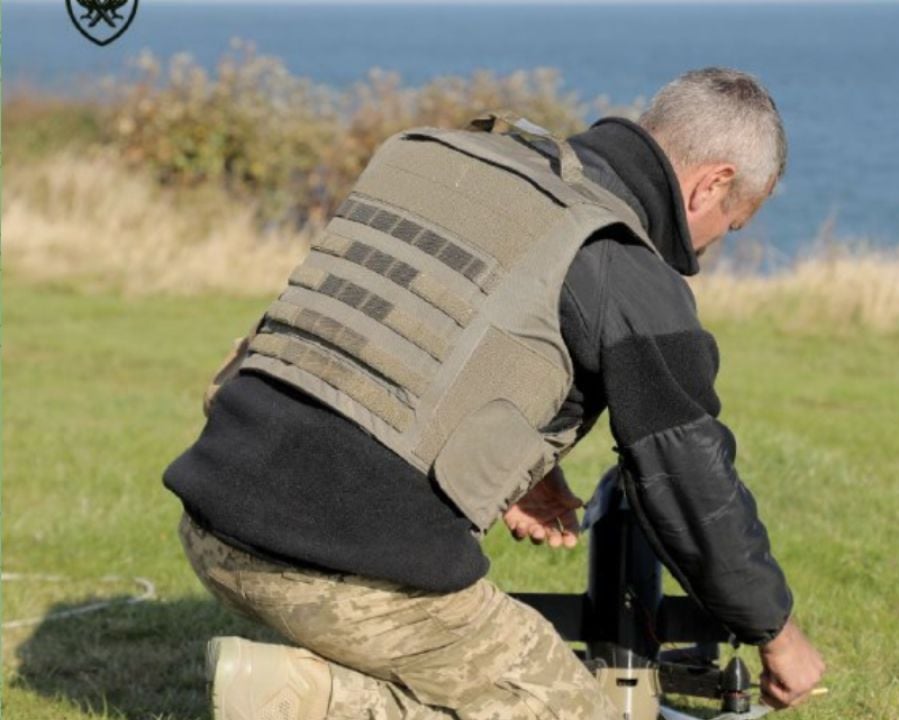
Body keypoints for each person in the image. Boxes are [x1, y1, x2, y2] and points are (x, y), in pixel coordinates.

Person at [163, 66, 825, 720]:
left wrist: (524, 469)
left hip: (213, 522)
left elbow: (412, 345)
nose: (708, 253)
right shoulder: (626, 267)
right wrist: (778, 634)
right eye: (731, 226)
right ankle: (306, 699)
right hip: (329, 571)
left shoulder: (473, 168)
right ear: (714, 183)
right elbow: (690, 483)